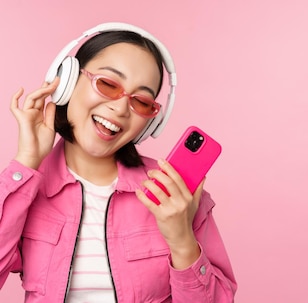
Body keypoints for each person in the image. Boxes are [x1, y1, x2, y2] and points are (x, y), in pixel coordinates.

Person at [0, 23, 237, 302]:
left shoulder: (176, 195)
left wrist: (182, 240)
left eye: (142, 101)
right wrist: (26, 164)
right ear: (66, 82)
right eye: (108, 84)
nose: (121, 108)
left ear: (151, 122)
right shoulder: (27, 190)